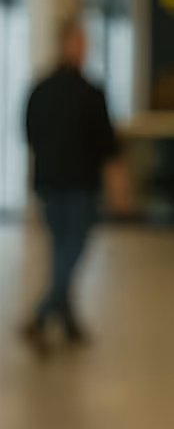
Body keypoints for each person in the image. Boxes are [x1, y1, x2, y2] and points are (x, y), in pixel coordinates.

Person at [20, 20, 126, 354]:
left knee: (61, 252)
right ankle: (41, 315)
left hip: (50, 181)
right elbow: (107, 144)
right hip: (77, 184)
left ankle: (68, 323)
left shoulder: (40, 89)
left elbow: (28, 133)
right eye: (80, 41)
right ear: (66, 44)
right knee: (71, 250)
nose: (84, 47)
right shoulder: (90, 93)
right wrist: (118, 184)